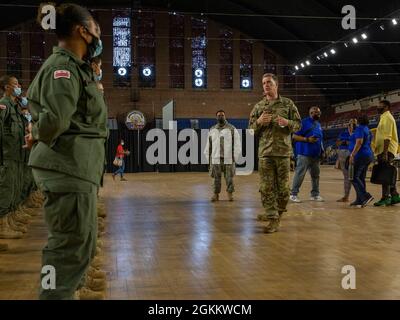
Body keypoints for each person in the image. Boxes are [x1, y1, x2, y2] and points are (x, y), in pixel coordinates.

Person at [25, 3, 108, 300]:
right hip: (66, 168)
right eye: (96, 27)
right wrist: (36, 132)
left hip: (74, 168)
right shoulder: (64, 68)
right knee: (67, 248)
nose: (100, 33)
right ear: (82, 31)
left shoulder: (75, 68)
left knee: (76, 245)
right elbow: (55, 120)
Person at [249, 73, 301, 234]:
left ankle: (276, 214)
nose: (266, 85)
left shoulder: (287, 104)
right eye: (264, 83)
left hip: (284, 153)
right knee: (266, 188)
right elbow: (250, 130)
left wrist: (287, 123)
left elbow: (298, 125)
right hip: (265, 154)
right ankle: (272, 218)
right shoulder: (258, 107)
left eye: (269, 83)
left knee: (284, 190)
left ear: (276, 85)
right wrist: (258, 122)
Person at [0, 75, 28, 239]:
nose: (18, 87)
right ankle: (2, 227)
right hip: (7, 154)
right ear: (6, 87)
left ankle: (10, 219)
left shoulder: (14, 106)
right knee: (6, 188)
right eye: (15, 84)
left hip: (17, 154)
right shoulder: (4, 105)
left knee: (15, 187)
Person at [204, 110, 241, 202]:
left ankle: (230, 195)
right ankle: (215, 195)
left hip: (228, 158)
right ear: (216, 117)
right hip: (215, 158)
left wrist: (235, 157)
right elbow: (208, 145)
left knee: (229, 178)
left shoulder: (232, 129)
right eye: (219, 115)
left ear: (225, 116)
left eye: (222, 115)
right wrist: (208, 157)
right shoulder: (212, 129)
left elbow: (237, 144)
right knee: (215, 179)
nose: (221, 117)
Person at [290, 107, 324, 203]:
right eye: (315, 113)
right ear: (310, 113)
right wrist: (307, 139)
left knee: (315, 176)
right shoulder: (303, 123)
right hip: (304, 154)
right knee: (300, 174)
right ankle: (293, 194)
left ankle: (315, 195)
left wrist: (322, 150)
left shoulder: (318, 124)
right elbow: (294, 136)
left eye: (318, 112)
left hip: (315, 155)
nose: (317, 114)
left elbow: (320, 139)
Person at [373, 100, 400, 207]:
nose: (377, 107)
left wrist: (385, 153)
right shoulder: (383, 117)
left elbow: (387, 137)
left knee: (384, 174)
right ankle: (395, 195)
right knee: (387, 173)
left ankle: (385, 198)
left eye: (380, 106)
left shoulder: (387, 117)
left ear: (386, 107)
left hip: (387, 150)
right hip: (383, 150)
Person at [348, 114, 374, 207]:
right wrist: (351, 134)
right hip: (367, 155)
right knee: (360, 177)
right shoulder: (367, 129)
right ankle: (360, 199)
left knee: (353, 177)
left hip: (360, 156)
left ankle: (365, 196)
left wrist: (352, 154)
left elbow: (359, 142)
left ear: (358, 121)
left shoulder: (360, 129)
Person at [336, 119, 356, 202]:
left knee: (355, 176)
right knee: (347, 176)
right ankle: (346, 196)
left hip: (352, 153)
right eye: (350, 124)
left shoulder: (359, 132)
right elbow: (338, 143)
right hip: (342, 154)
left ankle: (361, 196)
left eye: (354, 124)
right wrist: (345, 142)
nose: (351, 125)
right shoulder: (343, 132)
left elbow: (356, 143)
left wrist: (346, 142)